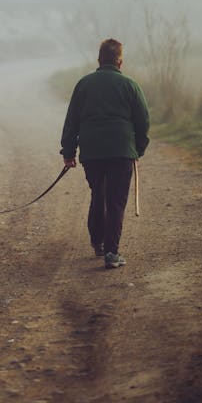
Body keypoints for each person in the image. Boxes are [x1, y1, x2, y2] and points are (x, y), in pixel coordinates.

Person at [60, 38, 150, 269]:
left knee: (99, 194)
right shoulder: (130, 85)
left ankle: (97, 242)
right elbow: (143, 121)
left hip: (92, 153)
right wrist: (138, 149)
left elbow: (71, 121)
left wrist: (69, 152)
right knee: (116, 201)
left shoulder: (84, 84)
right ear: (120, 62)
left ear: (99, 60)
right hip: (122, 152)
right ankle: (112, 252)